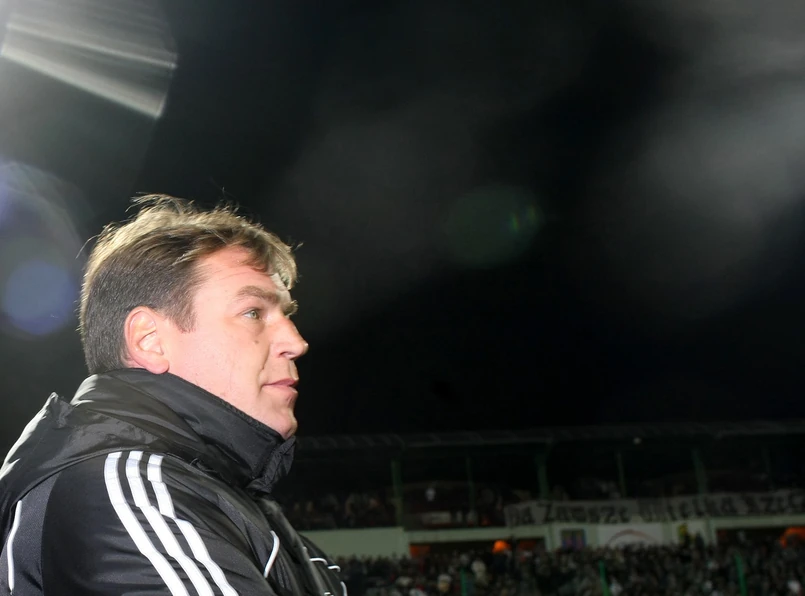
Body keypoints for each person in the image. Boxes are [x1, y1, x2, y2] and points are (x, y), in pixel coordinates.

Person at [0, 195, 344, 595]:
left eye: (287, 315)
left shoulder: (234, 501)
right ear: (150, 340)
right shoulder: (123, 494)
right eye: (253, 313)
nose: (296, 342)